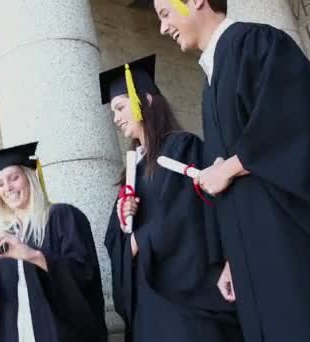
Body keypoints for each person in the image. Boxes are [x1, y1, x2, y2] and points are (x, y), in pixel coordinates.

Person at [154, 1, 310, 341]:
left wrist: (232, 167)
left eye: (165, 13)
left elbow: (298, 119)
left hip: (292, 247)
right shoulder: (210, 83)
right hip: (254, 258)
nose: (163, 28)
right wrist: (232, 257)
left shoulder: (256, 43)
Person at [101, 55, 242, 342]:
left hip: (186, 297)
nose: (115, 118)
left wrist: (141, 239)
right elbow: (115, 242)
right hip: (148, 301)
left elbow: (188, 213)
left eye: (120, 107)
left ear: (147, 101)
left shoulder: (182, 147)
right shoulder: (131, 169)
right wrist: (124, 222)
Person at [0, 142, 107, 342]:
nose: (7, 188)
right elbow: (3, 301)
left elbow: (85, 274)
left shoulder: (62, 217)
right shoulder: (0, 237)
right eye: (0, 183)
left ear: (29, 176)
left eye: (13, 178)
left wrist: (31, 255)